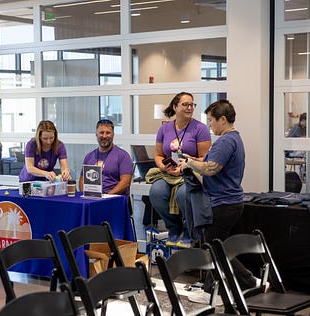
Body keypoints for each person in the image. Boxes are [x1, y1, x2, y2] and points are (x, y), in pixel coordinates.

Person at [179, 99, 260, 302]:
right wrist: (194, 161)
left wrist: (190, 163)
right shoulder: (233, 139)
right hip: (228, 202)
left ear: (222, 120)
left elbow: (212, 167)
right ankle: (229, 285)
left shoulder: (225, 141)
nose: (209, 126)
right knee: (217, 247)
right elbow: (209, 164)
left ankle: (222, 289)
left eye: (211, 121)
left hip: (223, 204)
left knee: (214, 248)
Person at [148, 92, 211, 248]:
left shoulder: (200, 128)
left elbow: (205, 158)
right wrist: (163, 166)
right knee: (156, 192)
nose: (189, 108)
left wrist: (189, 162)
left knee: (184, 194)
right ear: (175, 107)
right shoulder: (164, 129)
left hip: (190, 173)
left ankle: (189, 231)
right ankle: (174, 228)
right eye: (185, 104)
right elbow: (158, 155)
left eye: (192, 105)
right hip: (169, 172)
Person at [79, 119, 134, 197]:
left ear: (113, 135)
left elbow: (125, 183)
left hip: (113, 201)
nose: (104, 136)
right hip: (92, 200)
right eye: (101, 133)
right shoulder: (89, 156)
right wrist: (85, 196)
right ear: (96, 135)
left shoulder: (123, 156)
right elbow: (82, 180)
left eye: (108, 133)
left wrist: (106, 197)